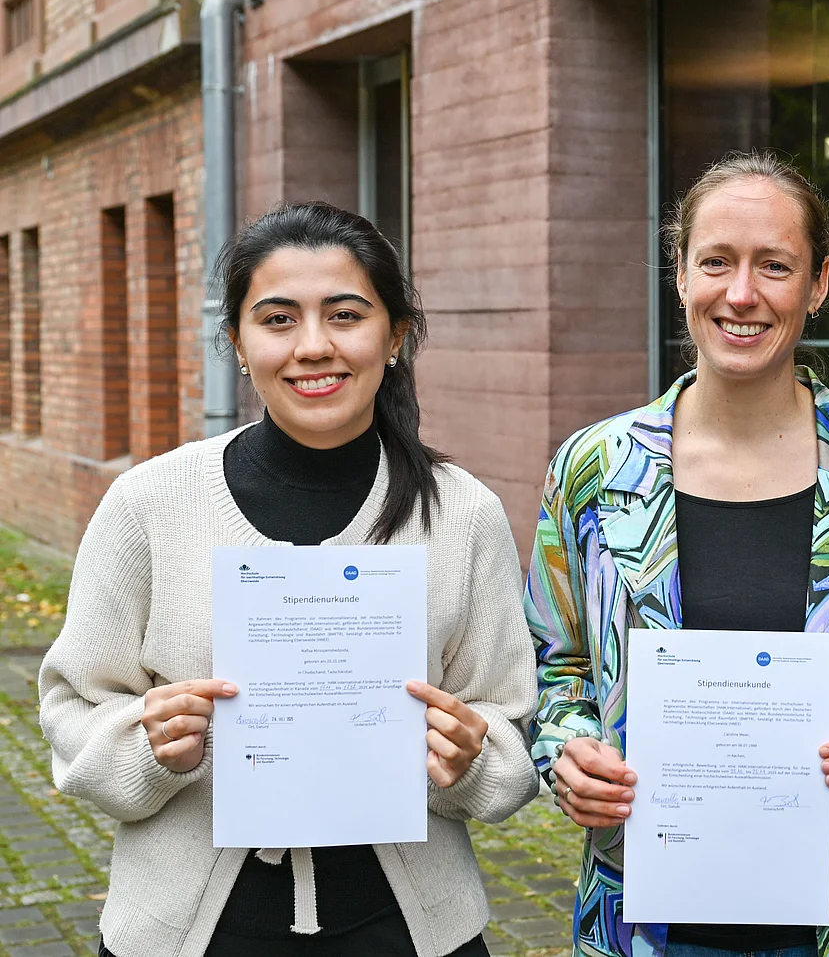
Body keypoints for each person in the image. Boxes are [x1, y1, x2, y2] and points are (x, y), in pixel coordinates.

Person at [39, 202, 539, 957]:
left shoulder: (462, 513)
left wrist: (467, 759)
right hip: (184, 933)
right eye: (277, 319)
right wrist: (148, 743)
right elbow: (74, 704)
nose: (313, 346)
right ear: (238, 342)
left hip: (408, 932)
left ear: (395, 335)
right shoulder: (149, 504)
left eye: (345, 314)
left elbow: (507, 722)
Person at [524, 152, 829, 957]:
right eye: (715, 260)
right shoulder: (592, 469)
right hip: (641, 916)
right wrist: (567, 753)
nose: (741, 293)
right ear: (679, 273)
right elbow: (558, 666)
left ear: (817, 284)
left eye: (775, 265)